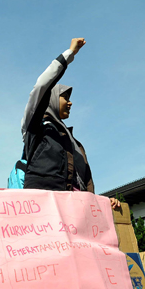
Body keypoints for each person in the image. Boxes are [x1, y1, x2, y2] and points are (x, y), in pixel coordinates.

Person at [20, 38, 119, 208]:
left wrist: (101, 203)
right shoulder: (35, 125)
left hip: (74, 213)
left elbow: (82, 184)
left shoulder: (75, 144)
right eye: (65, 97)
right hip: (44, 211)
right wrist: (70, 53)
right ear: (51, 98)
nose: (70, 103)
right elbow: (41, 87)